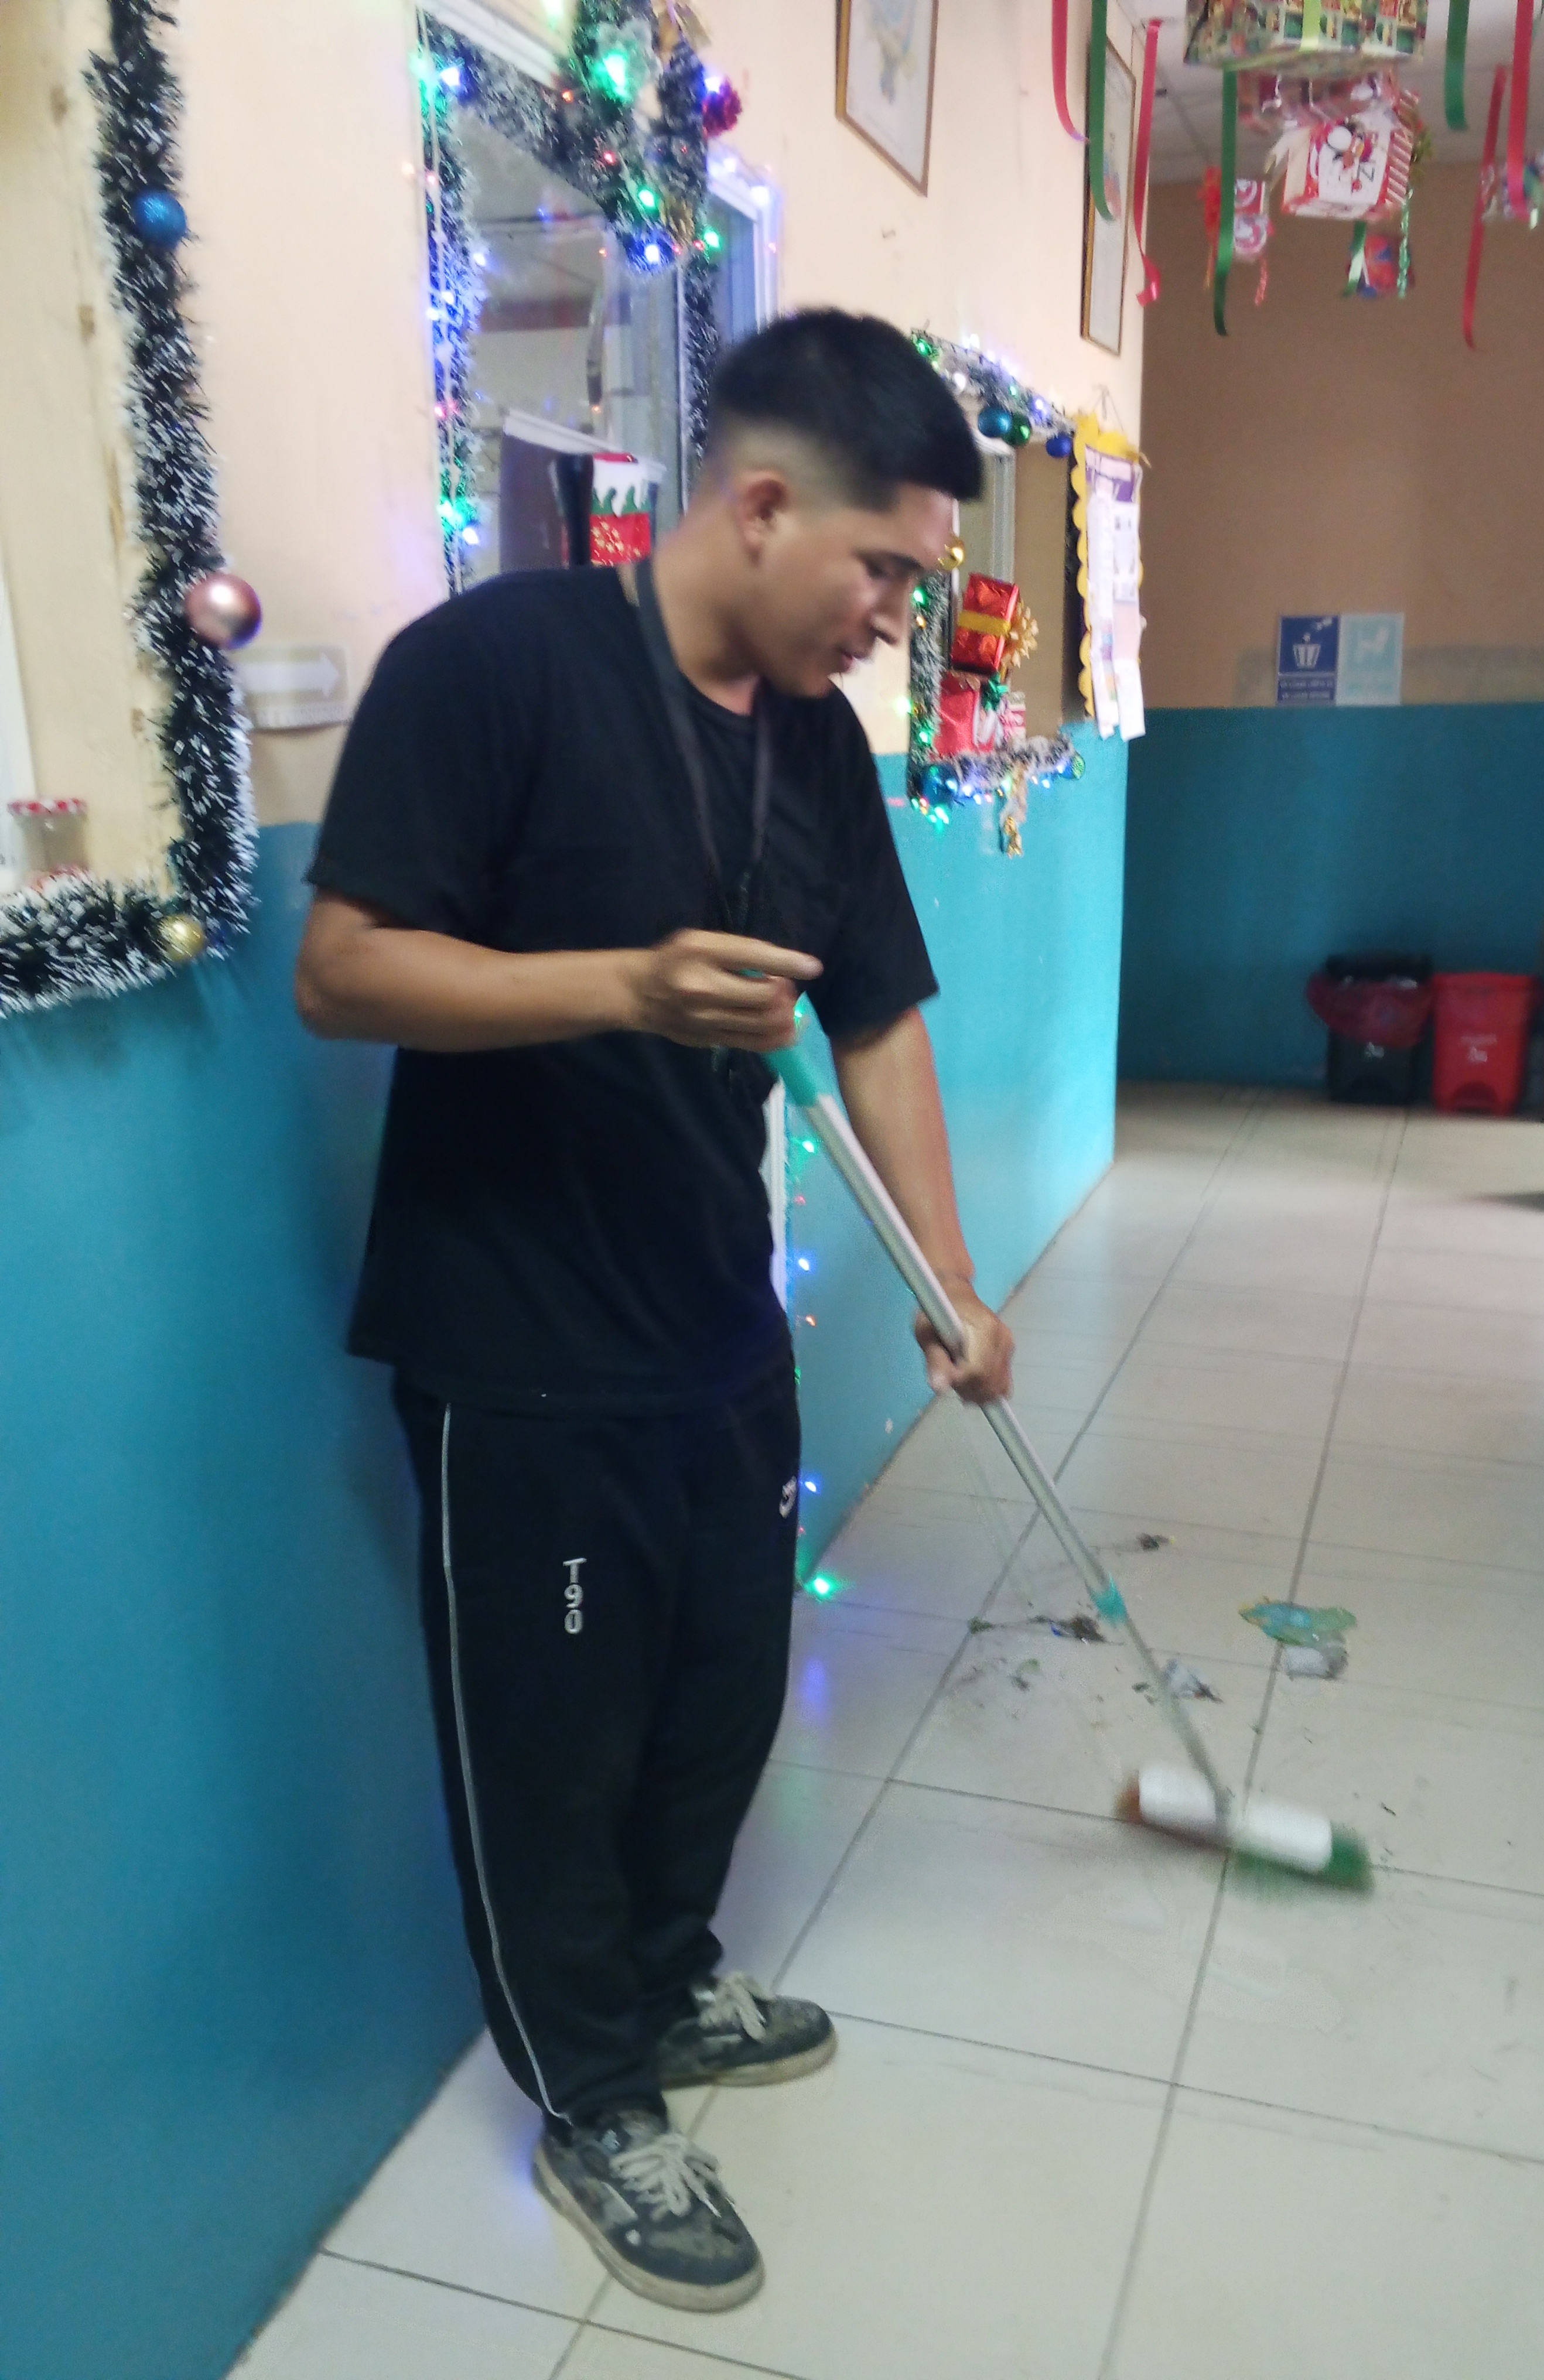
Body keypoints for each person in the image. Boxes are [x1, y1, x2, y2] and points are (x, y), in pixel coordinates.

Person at [294, 310, 1015, 2314]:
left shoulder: (819, 746)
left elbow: (879, 1020)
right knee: (554, 1748)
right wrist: (618, 986)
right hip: (518, 1345)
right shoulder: (492, 669)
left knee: (714, 1704)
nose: (897, 617)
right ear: (762, 505)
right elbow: (344, 971)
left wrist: (950, 1282)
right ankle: (594, 2094)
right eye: (883, 570)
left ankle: (672, 1979)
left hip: (718, 1326)